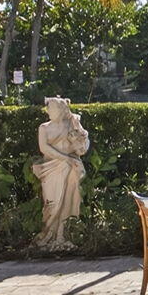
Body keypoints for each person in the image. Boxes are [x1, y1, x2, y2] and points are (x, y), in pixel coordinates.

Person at [32, 96, 89, 250]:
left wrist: (80, 140)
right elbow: (44, 148)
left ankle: (62, 235)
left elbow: (82, 146)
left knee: (69, 199)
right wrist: (65, 158)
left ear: (61, 110)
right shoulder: (44, 128)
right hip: (51, 168)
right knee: (52, 203)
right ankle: (49, 234)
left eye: (51, 107)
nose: (48, 110)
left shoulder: (72, 124)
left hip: (71, 168)